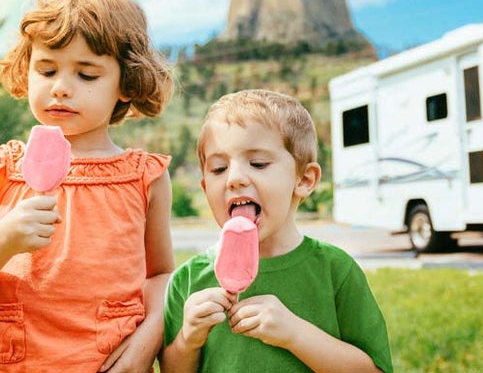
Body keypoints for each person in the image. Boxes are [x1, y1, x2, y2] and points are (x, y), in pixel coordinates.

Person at [0, 0, 175, 372]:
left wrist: (147, 341)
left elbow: (160, 275)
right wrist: (3, 238)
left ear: (127, 83)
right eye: (46, 70)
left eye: (86, 73)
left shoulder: (146, 179)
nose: (60, 86)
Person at [159, 89, 393, 372]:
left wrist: (296, 334)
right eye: (219, 169)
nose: (234, 179)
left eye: (258, 163)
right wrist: (188, 340)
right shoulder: (187, 281)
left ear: (304, 180)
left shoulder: (335, 271)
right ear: (205, 187)